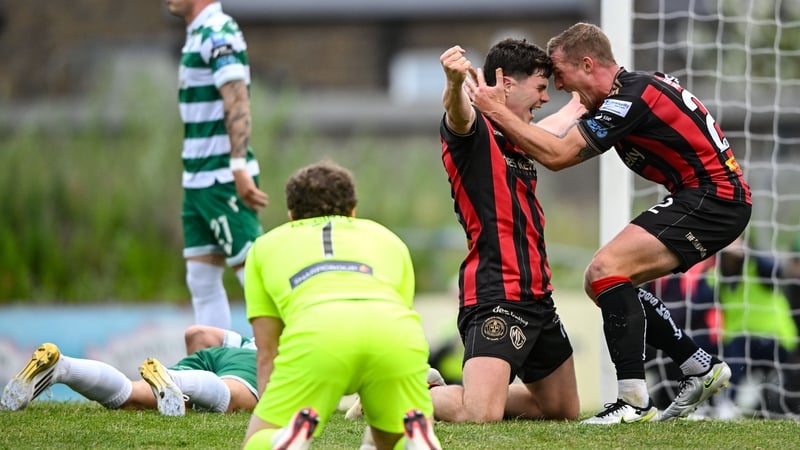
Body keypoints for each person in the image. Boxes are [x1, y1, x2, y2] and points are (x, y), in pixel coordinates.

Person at [467, 22, 752, 423]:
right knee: (603, 280)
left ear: (587, 63)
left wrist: (495, 110)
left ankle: (634, 401)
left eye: (562, 77)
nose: (560, 89)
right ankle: (698, 364)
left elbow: (558, 156)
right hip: (709, 198)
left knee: (605, 269)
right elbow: (551, 132)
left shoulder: (630, 99)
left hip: (714, 198)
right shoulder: (625, 93)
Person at [432, 39, 584, 424]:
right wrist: (453, 83)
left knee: (560, 411)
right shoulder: (474, 130)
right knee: (479, 414)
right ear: (507, 85)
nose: (545, 98)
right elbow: (459, 113)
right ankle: (404, 392)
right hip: (496, 293)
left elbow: (564, 120)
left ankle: (444, 392)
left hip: (537, 297)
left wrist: (596, 88)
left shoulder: (518, 135)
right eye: (540, 87)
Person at [242, 161, 441, 450]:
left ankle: (281, 439)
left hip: (318, 333)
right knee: (394, 437)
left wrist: (273, 413)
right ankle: (414, 442)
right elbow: (402, 312)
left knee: (257, 441)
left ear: (290, 215)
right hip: (393, 334)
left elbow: (267, 350)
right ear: (352, 211)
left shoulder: (264, 246)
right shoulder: (388, 238)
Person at [165, 0, 269, 330]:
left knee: (254, 275)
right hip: (196, 180)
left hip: (220, 177)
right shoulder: (197, 33)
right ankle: (215, 368)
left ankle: (290, 358)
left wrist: (237, 165)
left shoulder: (219, 32)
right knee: (201, 278)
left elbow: (237, 98)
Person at [0, 341, 258, 415]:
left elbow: (198, 333)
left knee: (131, 396)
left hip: (220, 353)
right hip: (257, 358)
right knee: (233, 397)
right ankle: (173, 380)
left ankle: (61, 367)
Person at [707, 236, 798, 418]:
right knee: (728, 355)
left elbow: (774, 269)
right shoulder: (715, 275)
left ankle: (784, 407)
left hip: (777, 339)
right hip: (739, 342)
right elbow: (697, 302)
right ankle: (726, 404)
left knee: (786, 375)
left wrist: (748, 251)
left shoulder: (758, 268)